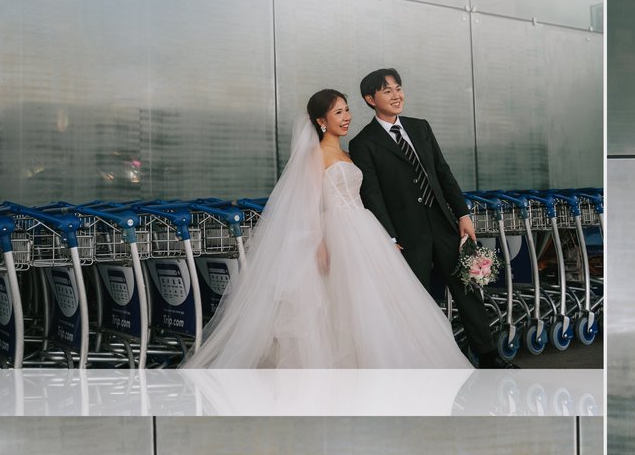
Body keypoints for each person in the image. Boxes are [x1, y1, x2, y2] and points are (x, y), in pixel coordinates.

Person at [181, 89, 471, 369]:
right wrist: (319, 243)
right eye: (338, 112)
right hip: (338, 232)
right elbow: (309, 205)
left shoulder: (348, 154)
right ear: (321, 121)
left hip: (365, 229)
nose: (346, 117)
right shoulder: (315, 156)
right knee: (346, 302)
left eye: (347, 110)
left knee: (376, 302)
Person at [350, 68, 511, 367]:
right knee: (415, 301)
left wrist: (462, 213)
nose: (397, 95)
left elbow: (442, 172)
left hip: (443, 223)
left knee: (468, 291)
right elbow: (372, 195)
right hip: (406, 234)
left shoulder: (420, 126)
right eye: (387, 91)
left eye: (398, 88)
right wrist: (389, 237)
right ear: (370, 99)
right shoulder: (363, 143)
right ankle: (420, 364)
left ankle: (488, 357)